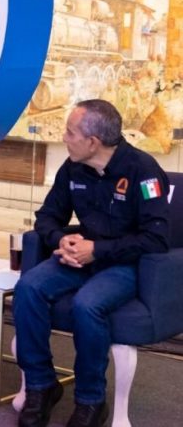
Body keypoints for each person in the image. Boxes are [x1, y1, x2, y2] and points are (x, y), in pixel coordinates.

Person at [14, 100, 169, 427]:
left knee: (87, 304)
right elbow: (47, 216)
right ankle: (41, 386)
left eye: (70, 132)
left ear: (93, 142)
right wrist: (60, 239)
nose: (64, 137)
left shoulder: (143, 171)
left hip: (125, 264)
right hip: (79, 256)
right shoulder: (73, 167)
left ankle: (90, 400)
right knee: (28, 287)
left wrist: (98, 250)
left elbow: (155, 239)